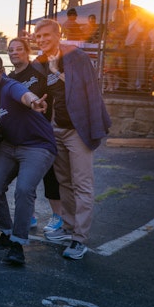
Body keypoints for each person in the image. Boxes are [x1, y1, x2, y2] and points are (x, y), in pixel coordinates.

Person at [34, 19, 111, 260]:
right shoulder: (40, 62)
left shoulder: (76, 57)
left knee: (82, 183)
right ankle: (68, 227)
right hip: (54, 130)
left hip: (76, 129)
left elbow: (91, 91)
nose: (42, 40)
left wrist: (94, 127)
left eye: (47, 35)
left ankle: (80, 238)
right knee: (64, 181)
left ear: (58, 35)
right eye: (38, 37)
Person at [0, 53, 56, 265]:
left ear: (0, 72)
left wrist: (34, 102)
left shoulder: (10, 86)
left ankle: (17, 243)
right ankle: (6, 232)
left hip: (37, 145)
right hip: (10, 144)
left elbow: (24, 94)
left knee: (24, 189)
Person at [7, 37, 63, 232]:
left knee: (50, 176)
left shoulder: (40, 72)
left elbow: (55, 96)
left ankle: (58, 216)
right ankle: (29, 215)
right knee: (23, 179)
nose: (14, 52)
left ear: (27, 51)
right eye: (11, 49)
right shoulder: (9, 78)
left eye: (19, 49)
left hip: (42, 134)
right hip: (21, 135)